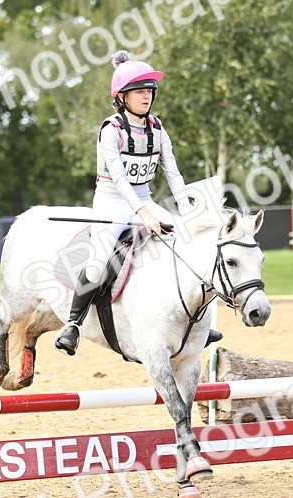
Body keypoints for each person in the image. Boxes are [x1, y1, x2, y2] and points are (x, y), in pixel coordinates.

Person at [55, 50, 222, 356]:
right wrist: (143, 214)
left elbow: (172, 172)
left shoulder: (157, 129)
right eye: (139, 92)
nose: (146, 98)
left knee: (185, 239)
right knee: (97, 262)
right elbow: (118, 180)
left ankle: (196, 322)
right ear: (122, 97)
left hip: (144, 196)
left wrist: (185, 211)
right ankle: (73, 325)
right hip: (111, 201)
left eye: (149, 92)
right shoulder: (110, 130)